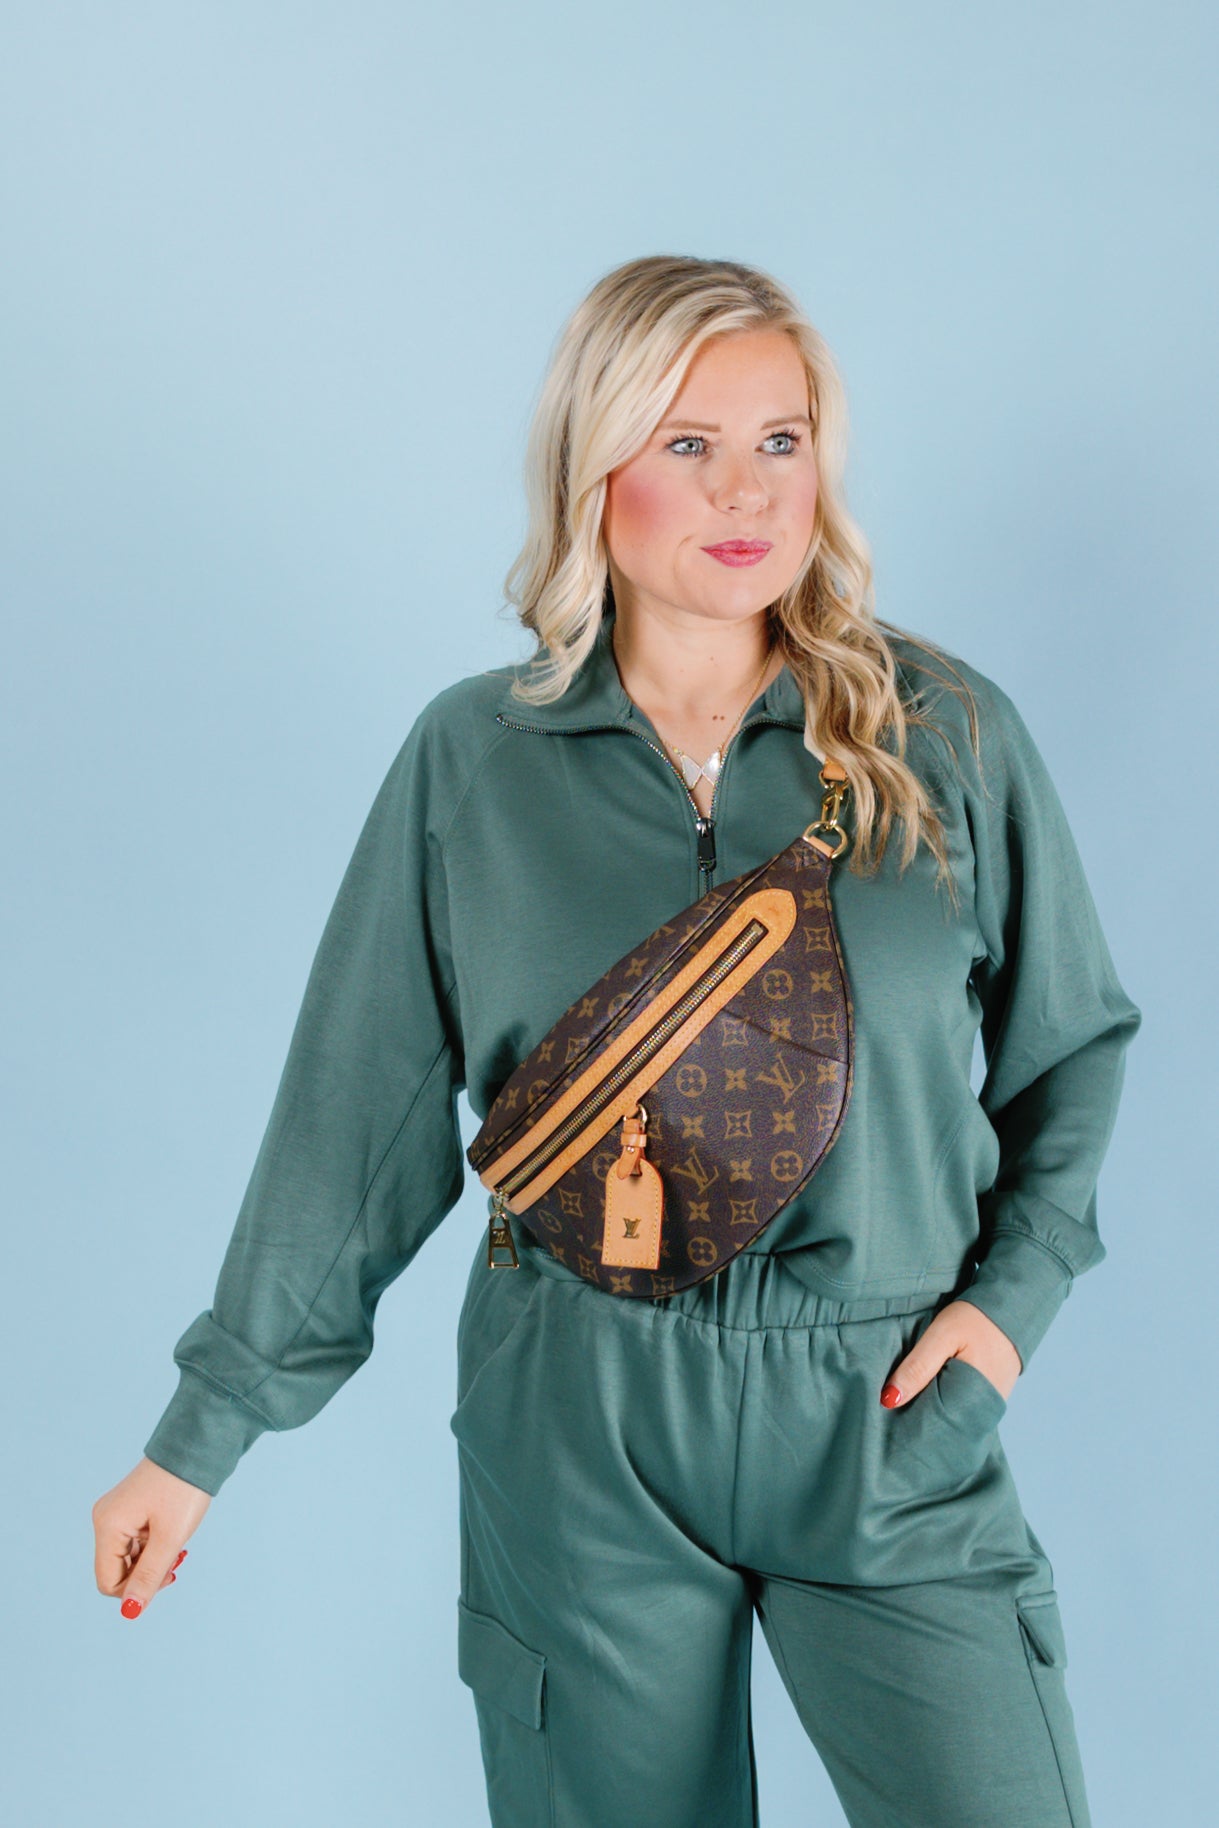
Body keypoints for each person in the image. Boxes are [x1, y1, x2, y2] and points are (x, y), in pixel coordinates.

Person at [92, 254, 1142, 1828]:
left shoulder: (944, 736)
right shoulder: (477, 759)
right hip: (578, 1411)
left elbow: (1072, 1045)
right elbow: (354, 1128)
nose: (746, 490)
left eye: (781, 440)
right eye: (687, 443)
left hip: (879, 1401)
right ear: (593, 467)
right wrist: (199, 1439)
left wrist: (1004, 1316)